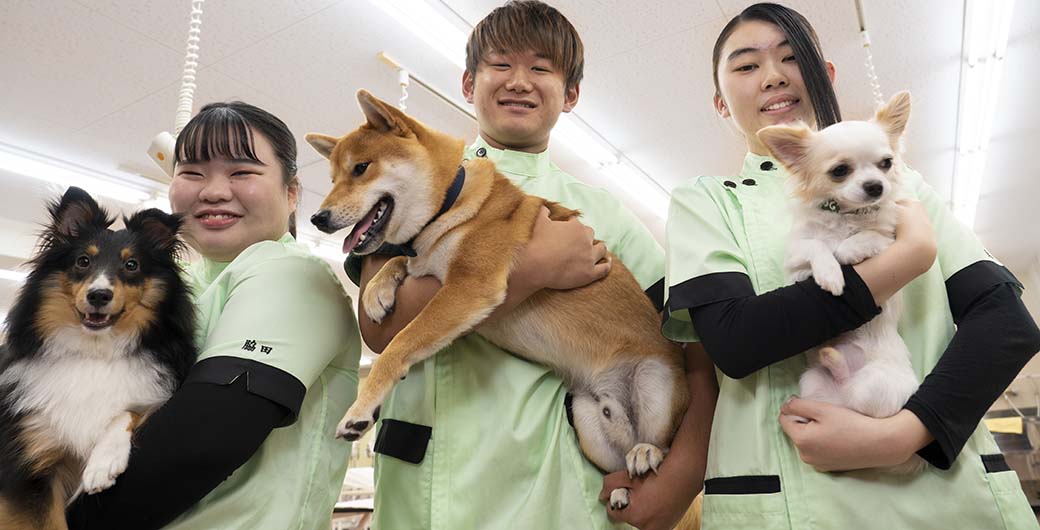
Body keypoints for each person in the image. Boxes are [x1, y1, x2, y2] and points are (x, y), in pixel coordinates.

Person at [661, 3, 1040, 529]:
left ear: (826, 74)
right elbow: (735, 341)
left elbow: (1006, 323)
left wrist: (905, 433)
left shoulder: (909, 187)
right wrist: (907, 258)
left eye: (792, 58)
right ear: (720, 102)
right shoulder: (706, 202)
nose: (772, 76)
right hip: (789, 498)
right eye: (746, 66)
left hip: (944, 493)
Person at [346, 2, 717, 529]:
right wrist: (533, 268)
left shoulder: (606, 213)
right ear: (468, 83)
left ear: (571, 96)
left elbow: (694, 343)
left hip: (556, 485)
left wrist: (682, 480)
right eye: (500, 64)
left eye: (541, 68)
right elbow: (378, 329)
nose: (519, 81)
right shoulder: (410, 186)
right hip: (425, 483)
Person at [67, 102, 362, 529]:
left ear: (292, 192)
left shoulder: (292, 275)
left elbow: (204, 441)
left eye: (242, 172)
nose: (213, 191)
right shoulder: (180, 282)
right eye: (191, 172)